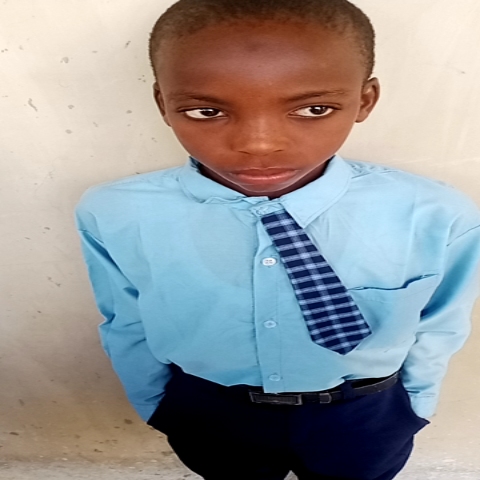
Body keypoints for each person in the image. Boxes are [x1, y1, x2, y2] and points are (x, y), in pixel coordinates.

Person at [75, 1, 480, 479]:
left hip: (364, 415)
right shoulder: (115, 213)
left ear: (365, 100)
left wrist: (414, 405)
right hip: (210, 411)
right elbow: (126, 319)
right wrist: (156, 403)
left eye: (313, 109)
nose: (259, 143)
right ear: (164, 104)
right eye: (207, 111)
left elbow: (441, 322)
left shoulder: (435, 214)